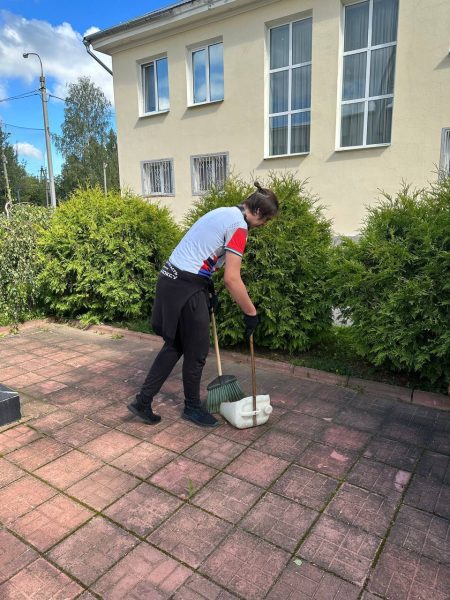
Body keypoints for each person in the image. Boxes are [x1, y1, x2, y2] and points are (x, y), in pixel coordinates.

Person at [128, 181, 279, 427]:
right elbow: (232, 278)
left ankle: (142, 401)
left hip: (170, 279)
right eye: (266, 220)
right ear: (259, 212)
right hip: (187, 285)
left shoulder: (223, 212)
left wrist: (207, 288)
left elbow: (201, 253)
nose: (264, 225)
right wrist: (251, 313)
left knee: (176, 344)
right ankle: (192, 408)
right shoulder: (239, 227)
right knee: (197, 352)